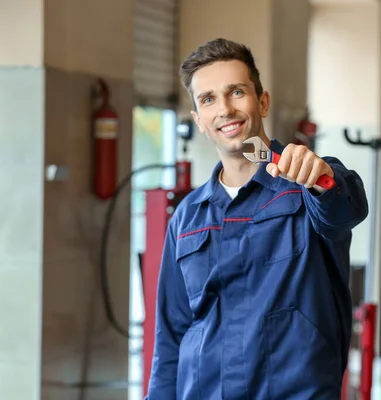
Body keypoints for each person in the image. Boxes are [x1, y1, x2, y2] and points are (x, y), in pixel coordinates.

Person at [146, 38, 368, 400]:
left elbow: (345, 206)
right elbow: (171, 336)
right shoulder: (188, 217)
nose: (225, 110)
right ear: (199, 121)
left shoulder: (306, 184)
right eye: (208, 99)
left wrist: (322, 177)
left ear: (262, 102)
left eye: (236, 92)